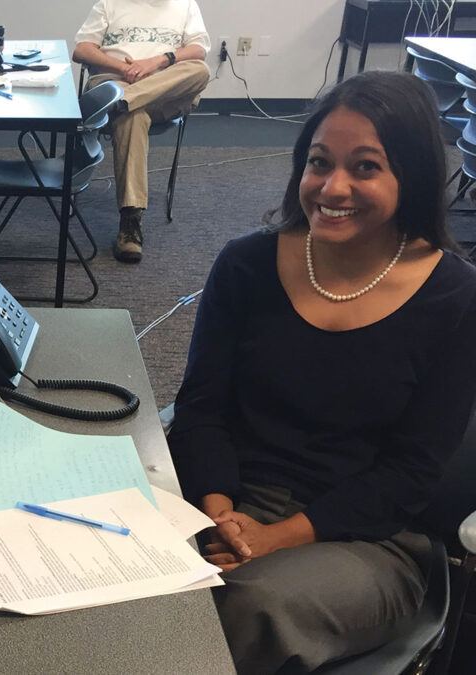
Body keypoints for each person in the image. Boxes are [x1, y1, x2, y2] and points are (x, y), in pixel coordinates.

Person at [167, 69, 476, 673]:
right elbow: (202, 408)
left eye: (365, 167)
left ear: (409, 175)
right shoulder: (246, 264)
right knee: (105, 556)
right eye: (318, 162)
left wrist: (271, 538)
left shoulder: (457, 298)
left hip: (368, 537)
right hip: (222, 500)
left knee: (243, 604)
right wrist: (222, 511)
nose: (333, 188)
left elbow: (409, 474)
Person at [72, 0, 211, 263]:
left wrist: (157, 62)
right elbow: (82, 50)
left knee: (199, 70)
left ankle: (124, 101)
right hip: (114, 80)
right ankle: (130, 223)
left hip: (165, 88)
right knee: (132, 117)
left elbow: (198, 50)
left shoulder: (185, 5)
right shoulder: (109, 4)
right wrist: (125, 69)